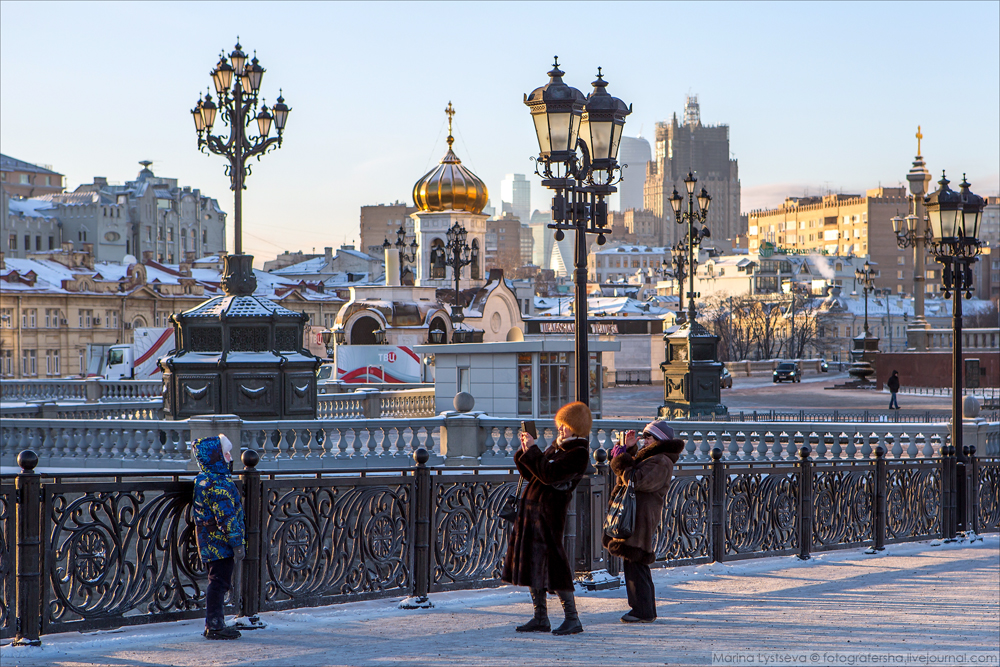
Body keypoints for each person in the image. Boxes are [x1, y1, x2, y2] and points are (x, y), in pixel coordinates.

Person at [502, 401, 591, 636]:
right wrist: (525, 450)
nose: (561, 429)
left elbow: (549, 475)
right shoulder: (557, 447)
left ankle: (572, 618)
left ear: (577, 427)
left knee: (554, 563)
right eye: (561, 424)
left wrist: (533, 451)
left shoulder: (578, 453)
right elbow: (534, 474)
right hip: (532, 511)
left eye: (565, 425)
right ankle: (540, 617)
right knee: (533, 561)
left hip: (550, 514)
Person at [604, 420, 684, 623]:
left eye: (649, 437)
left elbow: (635, 480)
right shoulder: (652, 458)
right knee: (634, 562)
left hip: (641, 516)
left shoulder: (661, 461)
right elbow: (630, 476)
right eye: (645, 436)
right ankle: (644, 609)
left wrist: (622, 460)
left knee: (636, 562)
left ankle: (642, 610)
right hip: (636, 513)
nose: (645, 440)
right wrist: (629, 449)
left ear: (660, 440)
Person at [192, 434, 246, 640]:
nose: (231, 458)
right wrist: (237, 543)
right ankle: (214, 625)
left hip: (209, 540)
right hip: (220, 543)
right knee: (219, 582)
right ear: (216, 457)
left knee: (217, 580)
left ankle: (215, 623)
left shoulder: (204, 479)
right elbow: (226, 517)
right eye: (226, 454)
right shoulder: (219, 483)